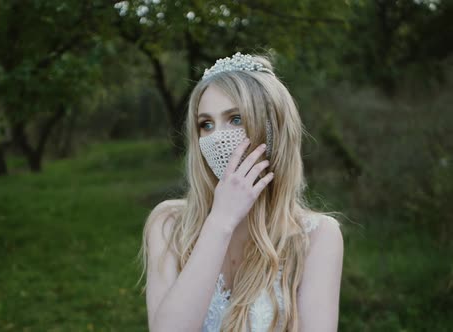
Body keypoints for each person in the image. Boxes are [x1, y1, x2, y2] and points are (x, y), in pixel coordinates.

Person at [137, 52, 344, 332]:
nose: (217, 137)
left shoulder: (317, 236)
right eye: (206, 124)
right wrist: (220, 222)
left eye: (235, 119)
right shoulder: (169, 224)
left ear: (273, 130)